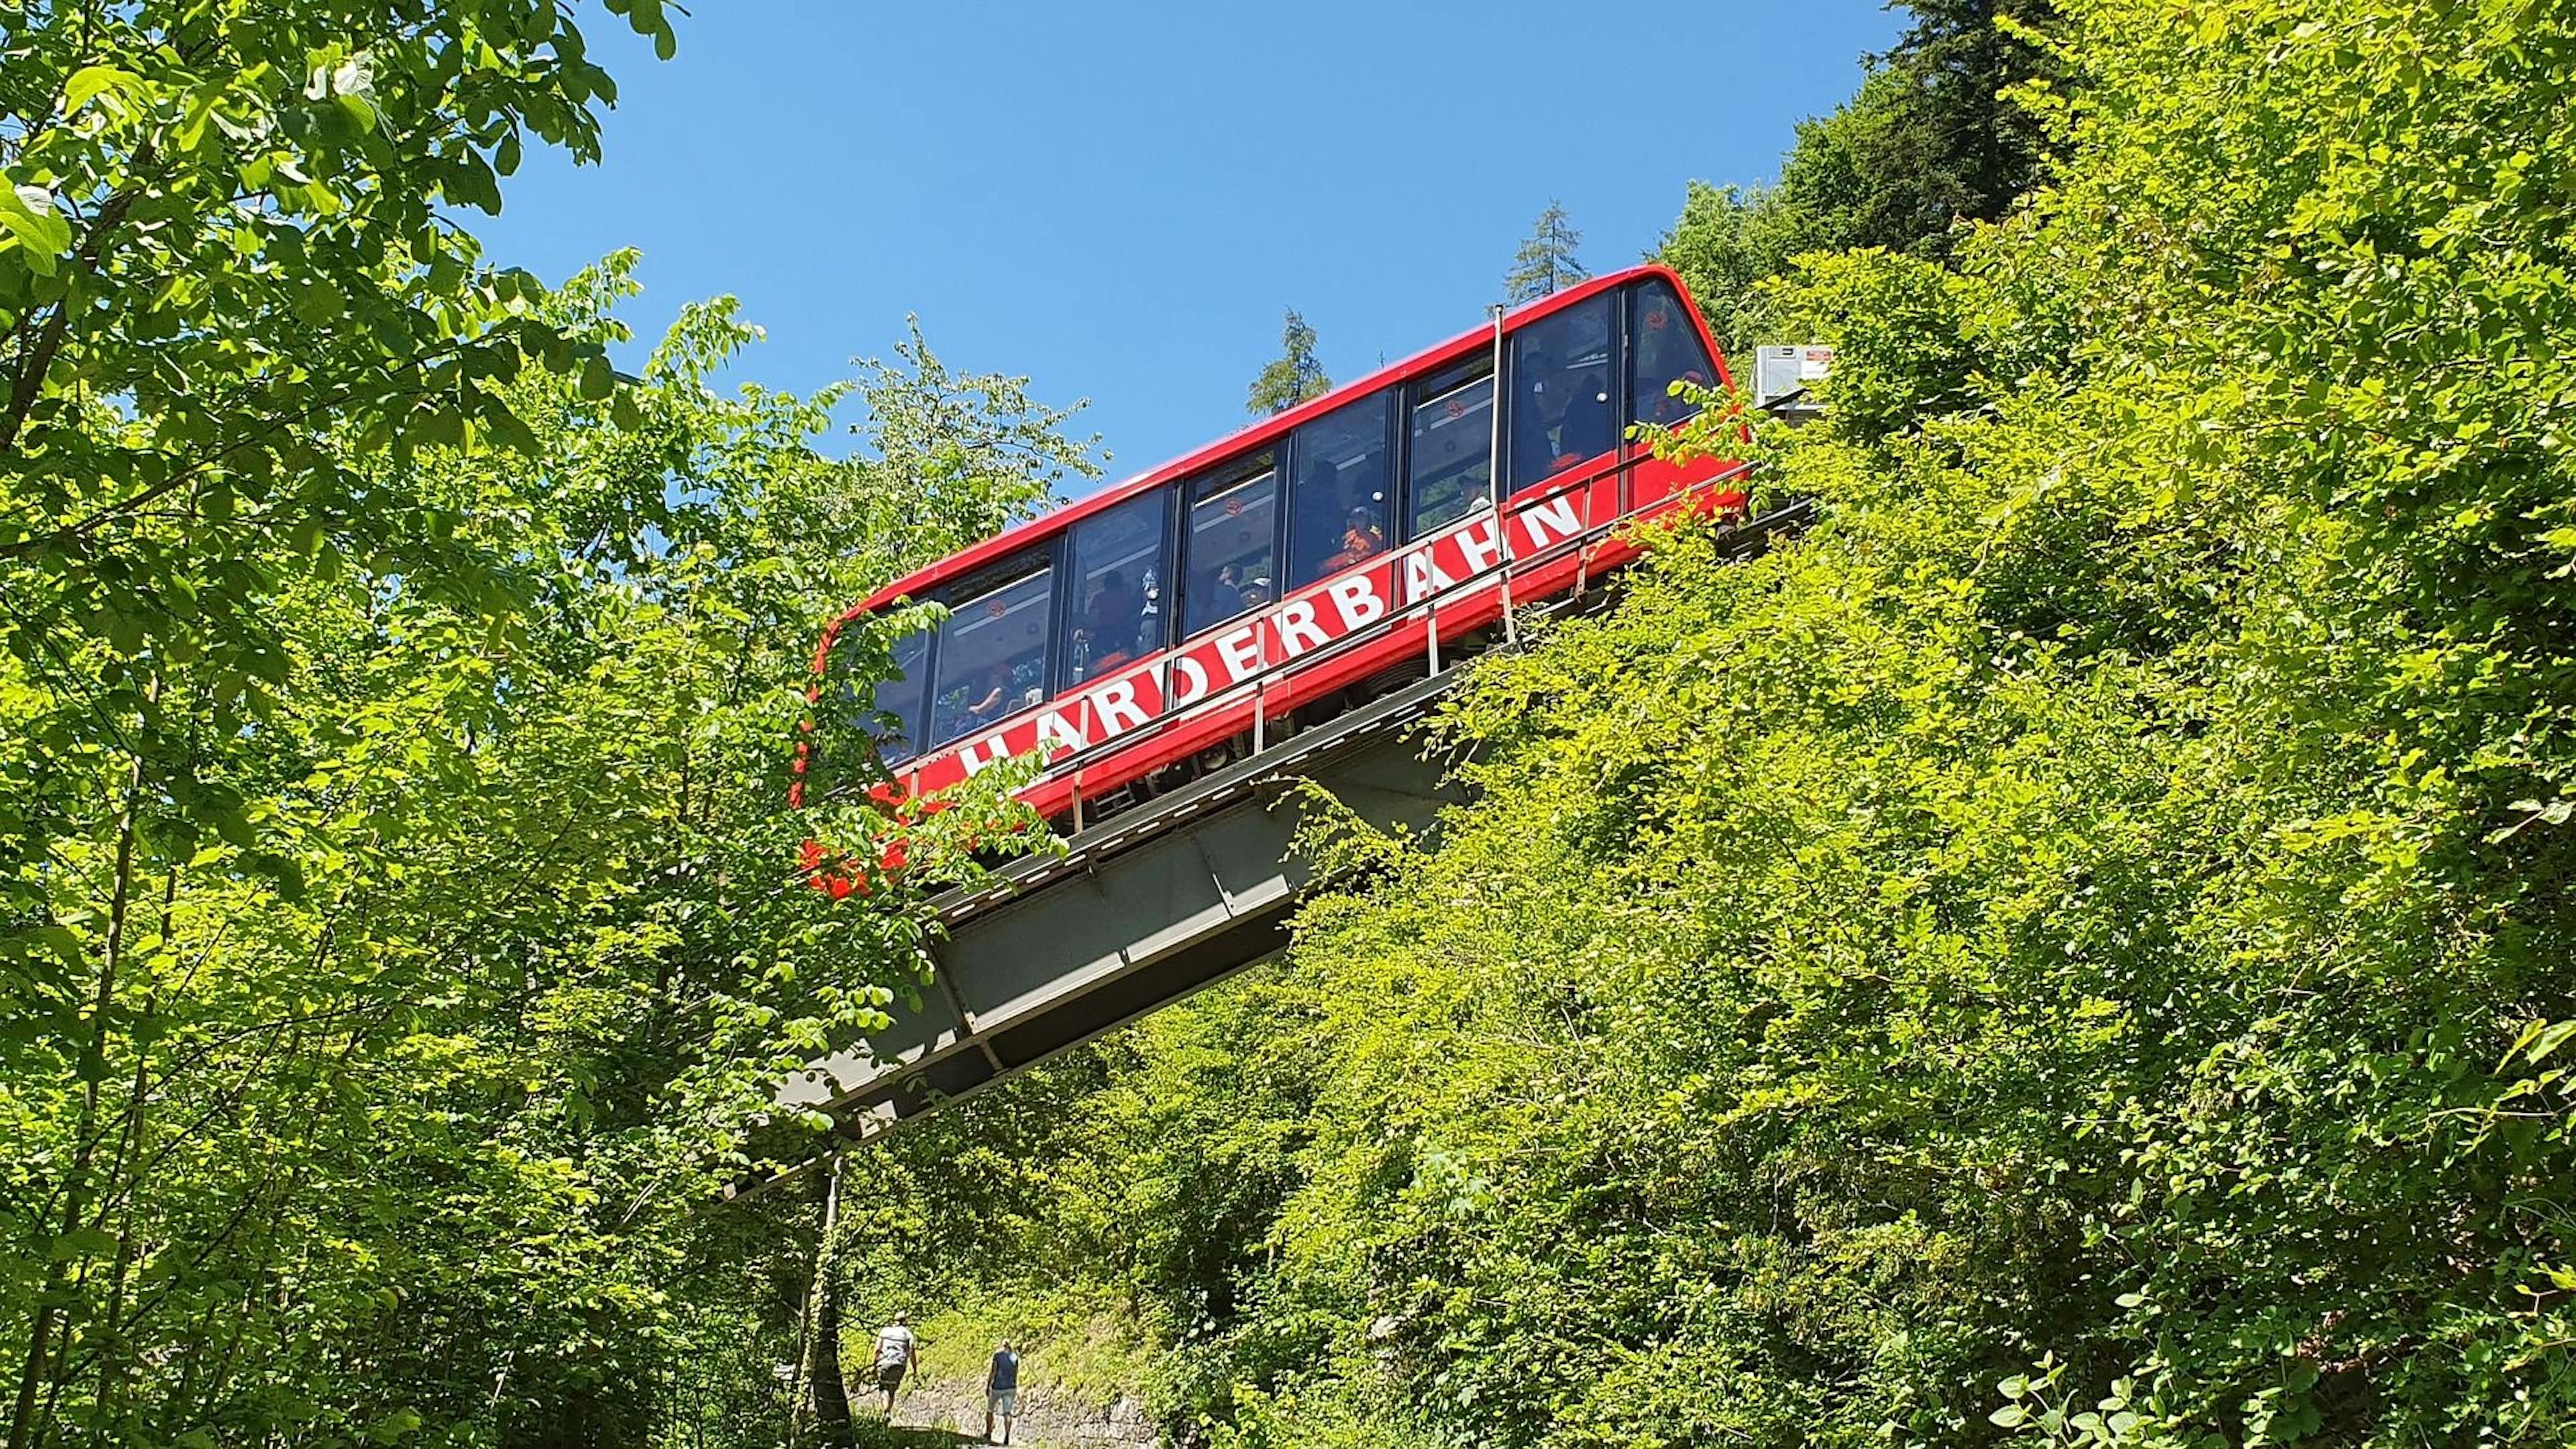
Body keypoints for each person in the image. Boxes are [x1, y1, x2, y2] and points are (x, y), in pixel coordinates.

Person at [871, 1311, 920, 1418]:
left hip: (884, 1362)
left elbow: (877, 1349)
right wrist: (915, 1368)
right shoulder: (908, 1334)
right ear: (905, 1321)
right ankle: (888, 1411)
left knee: (884, 1388)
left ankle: (886, 1412)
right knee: (892, 1389)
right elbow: (911, 1351)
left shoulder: (885, 1331)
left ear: (894, 1320)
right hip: (899, 1364)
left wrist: (873, 1365)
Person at [984, 1339, 1022, 1445]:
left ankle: (988, 1432)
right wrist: (1014, 1384)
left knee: (990, 1409)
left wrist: (988, 1386)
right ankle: (1007, 1435)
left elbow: (993, 1372)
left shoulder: (998, 1356)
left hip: (998, 1387)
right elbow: (1016, 1373)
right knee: (1007, 1412)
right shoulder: (1014, 1357)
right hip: (1011, 1387)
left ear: (1002, 1345)